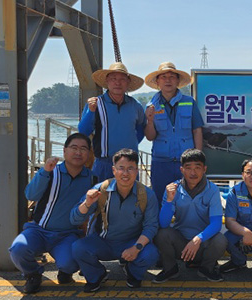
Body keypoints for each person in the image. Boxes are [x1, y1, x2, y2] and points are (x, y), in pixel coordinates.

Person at [9, 133, 94, 294]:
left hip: (68, 234)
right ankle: (33, 274)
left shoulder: (92, 178)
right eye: (74, 148)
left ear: (89, 154)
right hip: (39, 230)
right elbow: (31, 195)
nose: (78, 152)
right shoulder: (51, 172)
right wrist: (44, 172)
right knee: (17, 250)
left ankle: (65, 271)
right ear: (64, 151)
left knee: (71, 262)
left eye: (83, 149)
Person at [70, 149, 159, 292]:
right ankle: (97, 275)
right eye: (121, 168)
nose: (125, 173)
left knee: (151, 254)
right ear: (113, 170)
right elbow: (74, 219)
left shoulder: (147, 195)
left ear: (137, 171)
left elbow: (151, 226)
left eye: (130, 168)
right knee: (78, 248)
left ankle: (133, 272)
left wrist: (136, 248)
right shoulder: (101, 190)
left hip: (131, 241)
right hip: (103, 241)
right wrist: (86, 203)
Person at [152, 149, 227, 283]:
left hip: (203, 244)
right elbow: (163, 224)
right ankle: (170, 269)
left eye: (197, 168)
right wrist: (169, 200)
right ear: (182, 170)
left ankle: (206, 269)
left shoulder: (213, 190)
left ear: (204, 169)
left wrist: (198, 239)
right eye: (188, 168)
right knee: (161, 234)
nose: (193, 173)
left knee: (221, 240)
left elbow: (216, 223)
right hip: (180, 245)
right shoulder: (173, 188)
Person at [144, 62, 205, 202]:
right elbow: (150, 136)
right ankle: (162, 224)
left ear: (178, 81)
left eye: (172, 77)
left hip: (186, 162)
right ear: (157, 82)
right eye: (163, 77)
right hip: (161, 162)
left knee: (188, 200)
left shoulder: (189, 102)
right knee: (161, 199)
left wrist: (198, 158)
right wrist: (150, 121)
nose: (168, 80)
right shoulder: (150, 106)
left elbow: (197, 130)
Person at [78, 62, 146, 182]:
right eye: (113, 79)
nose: (117, 83)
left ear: (128, 83)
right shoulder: (96, 104)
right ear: (107, 82)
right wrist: (91, 112)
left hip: (129, 164)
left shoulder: (136, 106)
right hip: (104, 163)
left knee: (131, 199)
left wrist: (130, 144)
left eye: (122, 79)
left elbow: (141, 131)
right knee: (100, 199)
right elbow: (83, 131)